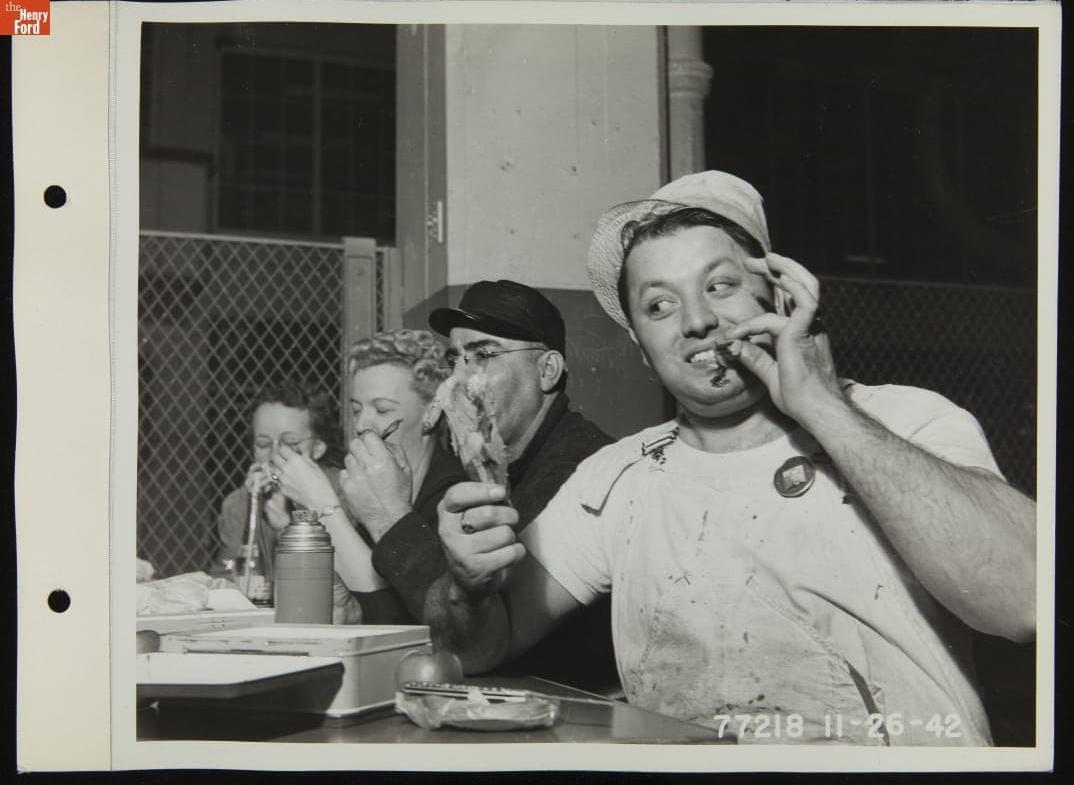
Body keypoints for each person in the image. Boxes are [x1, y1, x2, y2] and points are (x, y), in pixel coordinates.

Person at [425, 171, 1036, 745]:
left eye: (720, 286)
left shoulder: (906, 420)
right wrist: (469, 587)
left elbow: (1026, 599)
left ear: (776, 295)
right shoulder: (618, 479)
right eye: (660, 306)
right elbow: (483, 647)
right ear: (641, 346)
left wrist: (822, 408)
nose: (697, 321)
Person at [367, 280, 619, 692]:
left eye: (484, 355)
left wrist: (388, 517)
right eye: (456, 360)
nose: (461, 379)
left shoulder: (580, 466)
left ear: (547, 371)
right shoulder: (488, 466)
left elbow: (480, 640)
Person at [270, 329, 467, 624]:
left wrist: (320, 501)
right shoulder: (365, 487)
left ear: (432, 413)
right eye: (356, 409)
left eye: (382, 409)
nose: (362, 424)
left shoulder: (453, 494)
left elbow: (393, 612)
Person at [214, 379, 345, 582]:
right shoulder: (238, 503)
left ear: (318, 448)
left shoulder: (342, 493)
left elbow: (338, 584)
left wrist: (286, 528)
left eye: (289, 443)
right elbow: (227, 581)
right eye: (263, 444)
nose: (274, 455)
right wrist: (252, 511)